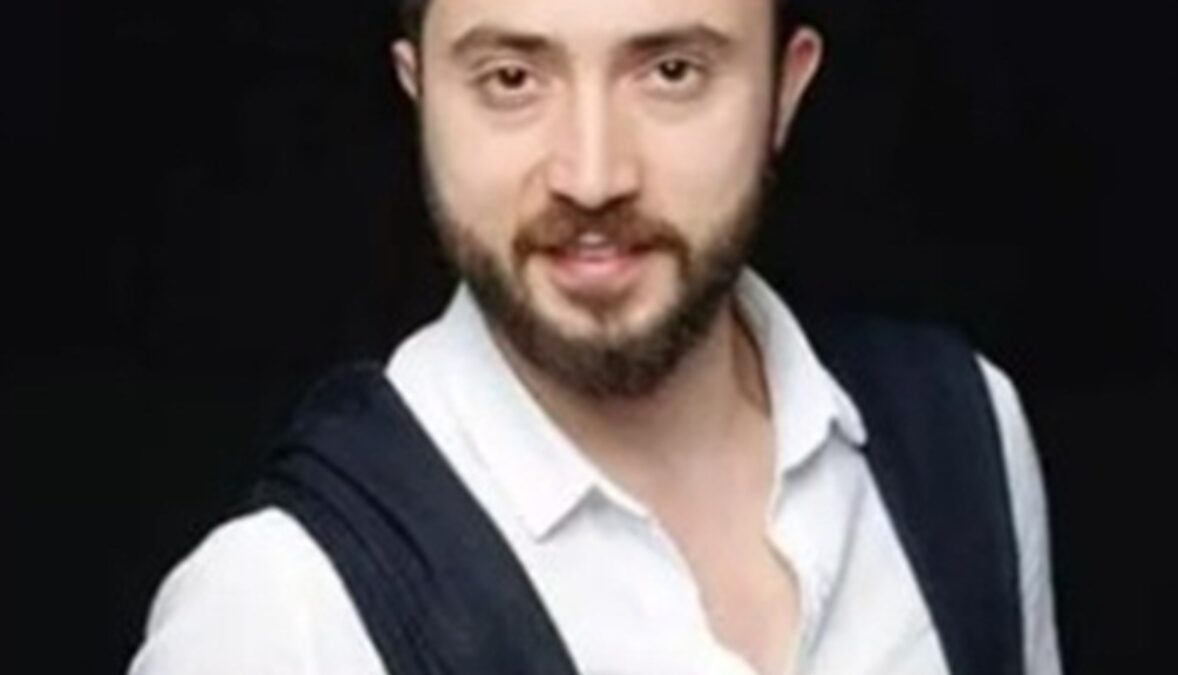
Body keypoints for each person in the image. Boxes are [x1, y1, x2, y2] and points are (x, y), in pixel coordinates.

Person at [128, 0, 1062, 674]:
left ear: (786, 88)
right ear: (420, 95)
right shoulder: (279, 608)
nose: (592, 174)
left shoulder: (965, 435)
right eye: (511, 78)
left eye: (671, 71)